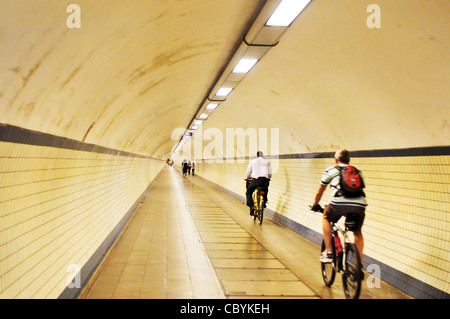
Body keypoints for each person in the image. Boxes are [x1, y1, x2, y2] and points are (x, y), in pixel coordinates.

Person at [311, 149, 367, 266]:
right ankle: (359, 264)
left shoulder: (330, 170)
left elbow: (320, 192)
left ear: (336, 160)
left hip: (338, 204)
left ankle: (328, 252)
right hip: (360, 205)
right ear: (349, 160)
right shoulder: (357, 172)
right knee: (357, 232)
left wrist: (315, 205)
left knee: (326, 217)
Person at [245, 151, 272, 215]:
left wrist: (246, 177)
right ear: (262, 156)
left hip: (255, 180)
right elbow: (270, 173)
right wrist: (269, 177)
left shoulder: (253, 161)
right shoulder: (267, 162)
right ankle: (264, 202)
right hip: (264, 181)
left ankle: (251, 206)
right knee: (265, 189)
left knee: (248, 192)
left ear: (257, 156)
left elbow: (248, 171)